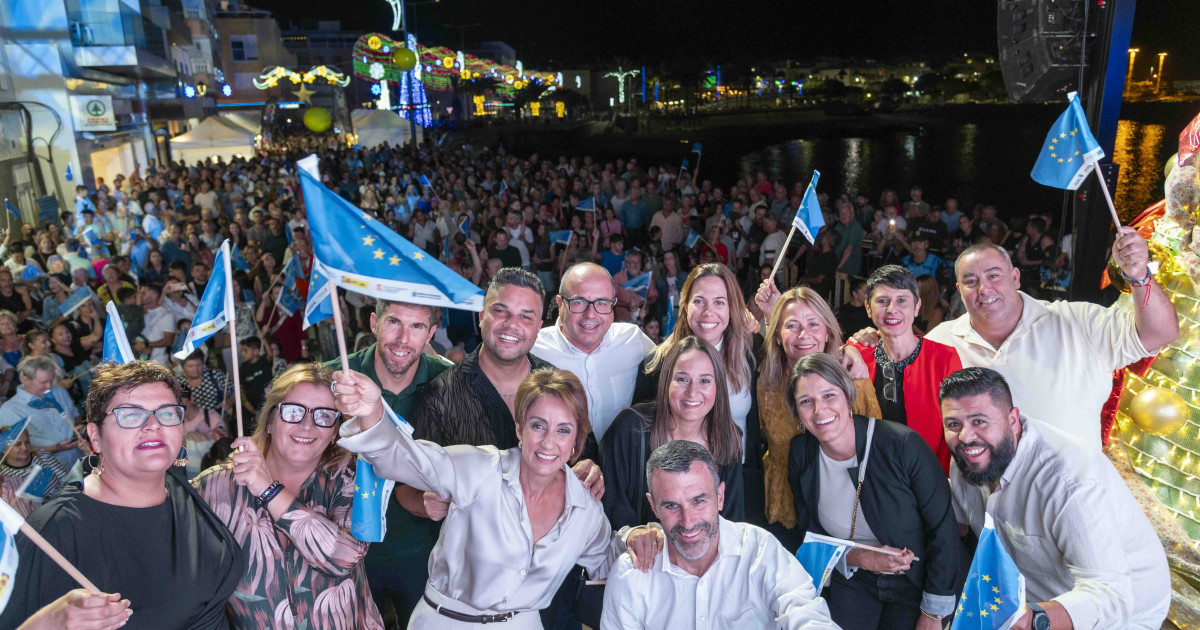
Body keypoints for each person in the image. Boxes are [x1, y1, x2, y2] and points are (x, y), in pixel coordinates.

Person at [334, 366, 644, 629]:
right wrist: (372, 411)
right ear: (520, 427)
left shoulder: (586, 512)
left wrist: (640, 537)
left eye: (564, 430)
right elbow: (403, 459)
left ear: (577, 439)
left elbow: (611, 558)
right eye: (538, 425)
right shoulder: (478, 468)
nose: (548, 442)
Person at [0, 360, 243, 630]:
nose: (153, 425)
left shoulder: (181, 487)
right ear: (95, 437)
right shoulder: (53, 531)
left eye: (168, 413)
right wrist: (47, 624)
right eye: (130, 415)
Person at [939, 367, 1170, 630]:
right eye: (954, 424)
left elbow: (1112, 595)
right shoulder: (969, 460)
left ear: (1013, 420)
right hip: (1028, 602)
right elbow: (953, 521)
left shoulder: (1069, 482)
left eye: (979, 421)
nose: (966, 437)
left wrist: (1032, 619)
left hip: (1121, 615)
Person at [925, 238, 1178, 451]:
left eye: (994, 275)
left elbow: (1160, 333)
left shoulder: (1078, 322)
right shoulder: (941, 340)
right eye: (971, 282)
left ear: (1015, 277)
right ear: (959, 289)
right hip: (979, 501)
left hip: (1069, 498)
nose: (984, 288)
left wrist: (1139, 276)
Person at [193, 363, 384, 629]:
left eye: (324, 416)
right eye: (293, 412)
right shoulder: (215, 487)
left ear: (333, 433)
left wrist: (269, 490)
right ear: (270, 422)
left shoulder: (349, 480)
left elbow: (344, 557)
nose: (307, 425)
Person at [787, 354, 959, 629]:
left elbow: (944, 529)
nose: (819, 410)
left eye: (829, 395)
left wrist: (933, 613)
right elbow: (810, 531)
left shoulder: (903, 445)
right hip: (853, 578)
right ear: (797, 412)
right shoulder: (800, 453)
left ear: (848, 396)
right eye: (806, 401)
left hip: (915, 581)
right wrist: (859, 558)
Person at [600, 440, 838, 630]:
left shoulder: (759, 550)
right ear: (653, 506)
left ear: (720, 496)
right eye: (672, 506)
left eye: (698, 501)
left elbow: (804, 610)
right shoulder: (630, 573)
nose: (688, 521)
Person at [325, 298, 454, 625]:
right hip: (343, 552)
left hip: (424, 552)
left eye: (417, 327)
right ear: (373, 323)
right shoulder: (331, 378)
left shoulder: (453, 383)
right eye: (394, 322)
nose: (403, 338)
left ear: (431, 334)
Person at [755, 285, 880, 549]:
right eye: (791, 326)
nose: (804, 334)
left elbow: (876, 448)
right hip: (784, 509)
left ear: (827, 333)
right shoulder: (765, 383)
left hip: (847, 514)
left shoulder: (853, 379)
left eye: (814, 324)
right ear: (777, 335)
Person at [602, 336, 744, 529]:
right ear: (666, 381)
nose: (692, 392)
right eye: (682, 379)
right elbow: (613, 509)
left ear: (718, 387)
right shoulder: (630, 429)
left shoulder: (728, 438)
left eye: (704, 381)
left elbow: (731, 522)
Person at [634, 264, 757, 458]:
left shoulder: (748, 356)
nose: (708, 311)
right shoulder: (656, 365)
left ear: (731, 308)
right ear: (685, 305)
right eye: (699, 301)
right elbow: (640, 436)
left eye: (719, 302)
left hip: (736, 478)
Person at [847, 266, 962, 472]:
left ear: (917, 306)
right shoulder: (855, 354)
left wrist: (939, 479)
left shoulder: (944, 358)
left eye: (902, 300)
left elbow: (955, 426)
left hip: (925, 474)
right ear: (868, 307)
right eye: (882, 301)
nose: (892, 309)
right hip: (865, 473)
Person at [532, 263, 655, 441]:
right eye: (579, 302)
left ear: (613, 304)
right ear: (560, 303)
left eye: (602, 303)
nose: (591, 314)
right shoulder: (534, 350)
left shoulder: (633, 339)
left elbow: (673, 367)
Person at [0, 356, 83, 469]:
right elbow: (9, 449)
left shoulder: (60, 392)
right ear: (25, 380)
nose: (49, 386)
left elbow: (75, 416)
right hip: (46, 467)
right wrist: (52, 448)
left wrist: (78, 430)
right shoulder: (10, 409)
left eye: (51, 381)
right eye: (43, 382)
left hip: (77, 458)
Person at [140, 283, 178, 366]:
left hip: (159, 363)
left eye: (143, 293)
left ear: (154, 296)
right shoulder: (140, 314)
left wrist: (146, 344)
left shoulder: (167, 315)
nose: (139, 295)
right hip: (140, 362)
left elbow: (168, 341)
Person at [237, 337, 272, 424]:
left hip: (269, 404)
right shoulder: (243, 368)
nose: (242, 353)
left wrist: (263, 338)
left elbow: (270, 354)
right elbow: (241, 389)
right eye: (242, 350)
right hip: (253, 408)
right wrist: (246, 403)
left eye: (245, 350)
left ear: (256, 351)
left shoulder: (264, 361)